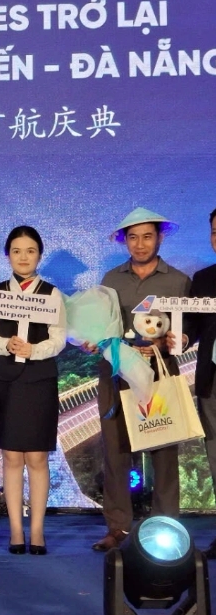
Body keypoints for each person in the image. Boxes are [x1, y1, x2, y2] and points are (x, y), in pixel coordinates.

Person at [87, 207, 190, 552]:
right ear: (124, 241)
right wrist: (93, 340)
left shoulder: (177, 281)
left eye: (147, 236)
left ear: (159, 237)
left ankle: (167, 525)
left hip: (160, 374)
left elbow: (187, 331)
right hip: (116, 375)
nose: (140, 244)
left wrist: (171, 342)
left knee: (163, 449)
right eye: (133, 237)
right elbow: (101, 326)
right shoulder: (111, 280)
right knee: (115, 452)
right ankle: (118, 528)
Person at [0, 226, 66, 555]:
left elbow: (58, 339)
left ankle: (38, 530)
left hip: (39, 379)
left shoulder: (52, 294)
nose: (24, 257)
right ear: (8, 255)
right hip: (6, 380)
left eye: (30, 251)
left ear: (39, 255)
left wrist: (34, 349)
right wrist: (7, 344)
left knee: (38, 457)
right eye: (17, 251)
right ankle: (16, 530)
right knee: (12, 457)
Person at [183, 207, 216, 558]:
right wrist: (180, 339)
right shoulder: (204, 280)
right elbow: (191, 327)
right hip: (213, 381)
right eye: (215, 231)